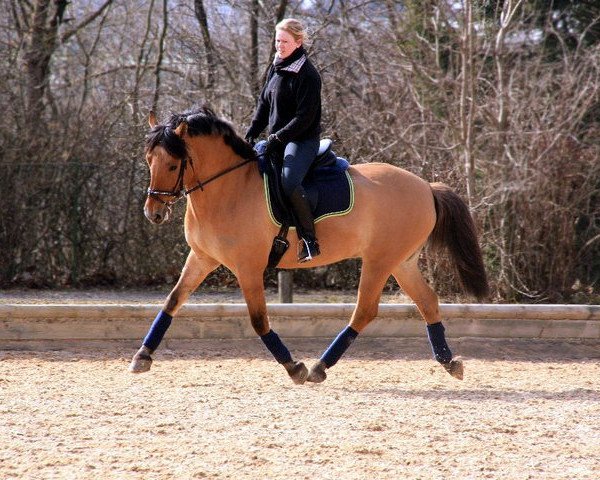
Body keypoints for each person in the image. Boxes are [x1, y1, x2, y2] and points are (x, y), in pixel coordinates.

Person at [245, 18, 322, 263]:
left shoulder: (308, 75)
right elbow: (264, 104)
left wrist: (276, 138)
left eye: (285, 41)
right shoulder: (276, 66)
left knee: (289, 182)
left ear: (298, 42)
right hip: (277, 139)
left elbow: (304, 117)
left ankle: (309, 240)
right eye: (277, 40)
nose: (280, 46)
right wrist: (252, 132)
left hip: (301, 140)